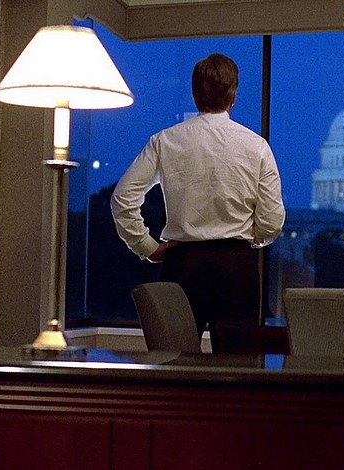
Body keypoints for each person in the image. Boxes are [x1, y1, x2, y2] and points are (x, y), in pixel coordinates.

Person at [111, 53, 286, 348]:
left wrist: (147, 246)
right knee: (237, 365)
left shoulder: (165, 141)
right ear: (234, 96)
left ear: (194, 95)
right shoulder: (256, 146)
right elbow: (271, 222)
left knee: (175, 360)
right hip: (237, 266)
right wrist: (247, 241)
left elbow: (122, 199)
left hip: (183, 263)